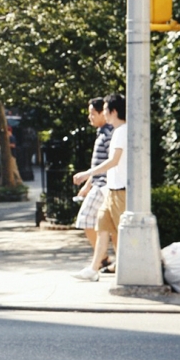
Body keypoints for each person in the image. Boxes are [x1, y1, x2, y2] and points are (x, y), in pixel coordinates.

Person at [72, 93, 127, 282]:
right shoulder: (117, 131)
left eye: (105, 109)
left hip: (119, 190)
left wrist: (87, 174)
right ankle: (94, 269)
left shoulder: (121, 132)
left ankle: (120, 266)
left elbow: (113, 161)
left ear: (113, 111)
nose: (103, 113)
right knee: (102, 227)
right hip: (112, 189)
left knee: (119, 231)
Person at [72, 98, 113, 269]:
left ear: (103, 113)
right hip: (99, 184)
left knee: (86, 219)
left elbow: (112, 162)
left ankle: (102, 258)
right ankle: (105, 258)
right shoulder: (102, 132)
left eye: (92, 114)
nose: (90, 117)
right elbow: (98, 165)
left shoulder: (109, 134)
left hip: (104, 185)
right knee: (103, 223)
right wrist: (88, 185)